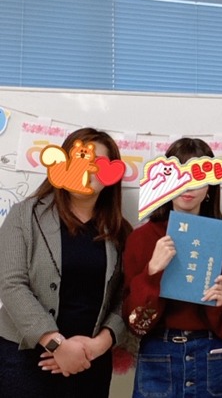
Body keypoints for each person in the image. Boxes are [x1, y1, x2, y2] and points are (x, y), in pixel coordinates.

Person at [0, 127, 132, 397]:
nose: (87, 169)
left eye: (98, 164)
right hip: (26, 358)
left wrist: (99, 344)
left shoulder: (120, 231)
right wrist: (56, 345)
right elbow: (11, 283)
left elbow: (125, 297)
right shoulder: (25, 215)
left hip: (90, 362)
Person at [122, 138, 222, 398]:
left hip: (212, 356)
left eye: (198, 177)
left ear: (211, 186)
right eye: (179, 176)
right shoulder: (141, 239)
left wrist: (221, 303)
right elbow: (136, 325)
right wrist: (152, 273)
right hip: (159, 355)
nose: (188, 187)